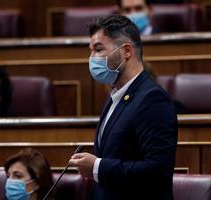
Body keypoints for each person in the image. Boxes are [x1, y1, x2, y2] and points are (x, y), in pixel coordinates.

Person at [69, 15, 178, 200]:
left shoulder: (152, 99)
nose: (91, 58)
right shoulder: (115, 96)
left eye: (98, 49)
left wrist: (97, 167)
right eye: (91, 51)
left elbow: (158, 172)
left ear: (126, 51)